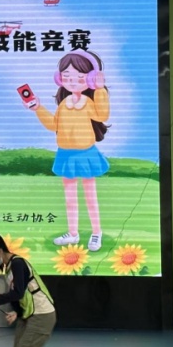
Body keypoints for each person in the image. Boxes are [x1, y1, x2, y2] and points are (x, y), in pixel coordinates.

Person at [27, 50, 110, 251]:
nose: (72, 81)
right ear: (59, 78)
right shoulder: (64, 104)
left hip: (85, 154)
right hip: (65, 154)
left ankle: (96, 233)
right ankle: (73, 233)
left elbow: (102, 115)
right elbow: (53, 125)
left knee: (90, 197)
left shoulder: (88, 102)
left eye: (80, 77)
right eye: (66, 76)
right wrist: (38, 108)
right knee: (70, 199)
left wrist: (100, 89)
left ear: (90, 78)